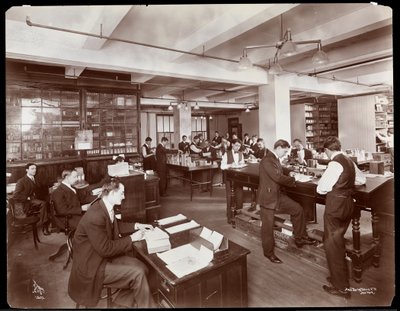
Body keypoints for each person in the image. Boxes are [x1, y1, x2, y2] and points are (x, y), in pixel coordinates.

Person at [68, 178, 155, 308]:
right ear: (112, 194)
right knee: (138, 274)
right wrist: (132, 238)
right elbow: (106, 249)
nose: (124, 197)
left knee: (143, 267)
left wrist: (137, 225)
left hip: (101, 257)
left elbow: (115, 225)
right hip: (92, 266)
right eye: (122, 193)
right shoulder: (96, 215)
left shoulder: (105, 205)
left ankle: (120, 304)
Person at [317, 136, 366, 299]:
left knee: (332, 244)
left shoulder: (334, 162)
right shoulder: (348, 160)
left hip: (336, 207)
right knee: (337, 241)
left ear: (327, 150)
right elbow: (360, 180)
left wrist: (331, 186)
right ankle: (339, 278)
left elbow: (321, 189)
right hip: (348, 205)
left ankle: (341, 287)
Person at [257, 139, 315, 264]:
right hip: (268, 197)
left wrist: (291, 172)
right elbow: (277, 176)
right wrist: (294, 178)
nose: (284, 154)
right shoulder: (267, 159)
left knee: (297, 209)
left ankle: (299, 238)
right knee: (267, 227)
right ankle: (269, 253)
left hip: (277, 195)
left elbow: (280, 170)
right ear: (278, 148)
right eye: (284, 151)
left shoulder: (274, 158)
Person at [13, 163, 49, 233]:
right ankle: (44, 225)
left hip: (34, 199)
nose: (34, 170)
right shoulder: (21, 181)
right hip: (25, 201)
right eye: (32, 169)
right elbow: (16, 195)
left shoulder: (35, 178)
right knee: (43, 204)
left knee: (48, 201)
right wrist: (27, 198)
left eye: (35, 168)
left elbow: (40, 187)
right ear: (27, 170)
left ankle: (47, 223)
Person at [220, 139, 245, 224]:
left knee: (240, 198)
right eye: (236, 145)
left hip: (239, 179)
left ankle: (239, 218)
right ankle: (230, 217)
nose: (238, 147)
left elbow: (243, 164)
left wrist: (242, 165)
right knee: (230, 198)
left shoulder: (241, 153)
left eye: (239, 146)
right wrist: (230, 165)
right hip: (229, 179)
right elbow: (222, 166)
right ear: (232, 145)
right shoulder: (227, 153)